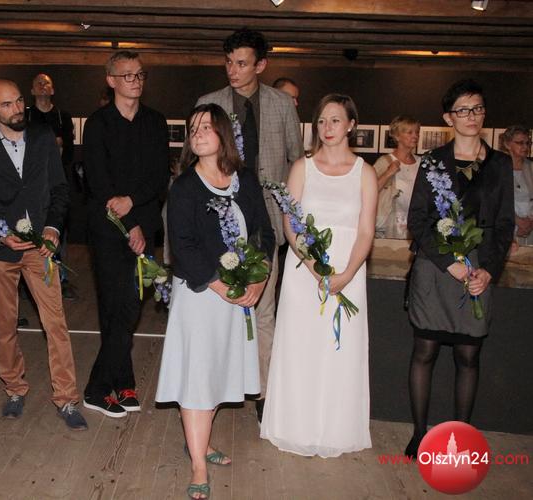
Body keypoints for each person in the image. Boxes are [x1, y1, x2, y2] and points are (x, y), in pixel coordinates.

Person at [155, 104, 274, 499]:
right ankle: (198, 465)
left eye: (207, 126)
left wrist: (259, 278)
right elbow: (183, 246)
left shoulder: (245, 180)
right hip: (201, 296)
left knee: (218, 372)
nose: (199, 133)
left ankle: (202, 443)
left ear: (224, 133)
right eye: (193, 128)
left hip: (239, 296)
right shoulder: (185, 187)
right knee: (198, 378)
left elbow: (264, 233)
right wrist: (222, 286)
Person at [0, 78, 87, 430]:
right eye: (7, 104)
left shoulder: (43, 136)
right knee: (5, 325)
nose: (17, 109)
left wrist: (52, 229)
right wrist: (0, 235)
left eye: (19, 101)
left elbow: (60, 189)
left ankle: (66, 398)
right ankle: (15, 389)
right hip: (0, 251)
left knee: (56, 324)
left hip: (40, 247)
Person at [261, 93, 377, 457]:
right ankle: (294, 424)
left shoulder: (365, 172)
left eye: (336, 120)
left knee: (340, 351)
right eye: (322, 121)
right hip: (304, 274)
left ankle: (336, 428)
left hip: (348, 272)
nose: (327, 128)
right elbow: (291, 224)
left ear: (351, 125)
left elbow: (366, 231)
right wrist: (314, 267)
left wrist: (346, 274)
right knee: (302, 347)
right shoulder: (302, 167)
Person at [196, 28, 303, 422]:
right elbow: (192, 166)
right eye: (228, 62)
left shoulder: (281, 105)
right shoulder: (208, 104)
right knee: (218, 310)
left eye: (241, 63)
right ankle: (212, 389)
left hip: (266, 222)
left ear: (261, 65)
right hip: (218, 220)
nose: (233, 70)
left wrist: (292, 217)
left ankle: (264, 395)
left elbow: (296, 161)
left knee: (264, 310)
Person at [404, 79, 514, 458]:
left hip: (478, 269)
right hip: (436, 267)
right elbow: (418, 220)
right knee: (425, 351)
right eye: (463, 110)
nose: (472, 116)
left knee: (468, 356)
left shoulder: (500, 164)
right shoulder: (433, 161)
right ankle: (420, 434)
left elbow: (504, 225)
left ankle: (461, 438)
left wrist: (489, 271)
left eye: (478, 108)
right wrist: (448, 262)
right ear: (448, 117)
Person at [82, 50, 169, 418]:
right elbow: (97, 179)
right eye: (128, 75)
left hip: (144, 227)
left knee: (131, 307)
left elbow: (159, 176)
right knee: (112, 307)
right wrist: (128, 221)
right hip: (107, 229)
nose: (135, 81)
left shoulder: (156, 121)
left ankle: (110, 383)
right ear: (111, 80)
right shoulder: (98, 123)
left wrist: (134, 209)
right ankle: (109, 385)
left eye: (140, 74)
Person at [25, 73, 77, 300]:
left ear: (53, 90)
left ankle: (59, 277)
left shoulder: (62, 117)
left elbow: (69, 151)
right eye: (38, 83)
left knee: (58, 228)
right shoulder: (26, 116)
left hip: (57, 181)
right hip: (32, 182)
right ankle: (30, 277)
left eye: (47, 83)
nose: (43, 86)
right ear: (32, 90)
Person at [373, 115, 421, 239]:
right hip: (390, 226)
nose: (415, 136)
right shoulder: (385, 161)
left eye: (417, 132)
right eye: (409, 132)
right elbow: (369, 191)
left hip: (416, 224)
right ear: (397, 136)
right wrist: (388, 173)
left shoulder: (421, 163)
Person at [501, 125, 533, 248]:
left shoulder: (531, 167)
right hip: (506, 229)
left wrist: (529, 223)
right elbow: (494, 202)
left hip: (530, 230)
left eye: (528, 143)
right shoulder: (498, 168)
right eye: (520, 143)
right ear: (507, 144)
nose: (525, 147)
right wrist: (517, 221)